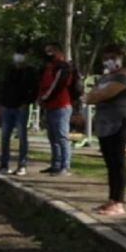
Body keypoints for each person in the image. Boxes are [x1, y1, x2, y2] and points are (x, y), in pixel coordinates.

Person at [83, 44, 126, 216]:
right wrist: (94, 96)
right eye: (105, 58)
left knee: (118, 162)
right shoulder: (104, 77)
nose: (109, 61)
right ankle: (111, 199)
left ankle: (119, 201)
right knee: (110, 163)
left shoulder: (124, 75)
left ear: (120, 57)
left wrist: (96, 96)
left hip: (118, 122)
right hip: (104, 124)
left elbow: (105, 94)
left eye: (112, 57)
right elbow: (90, 96)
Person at [0, 45, 37, 175]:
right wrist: (1, 102)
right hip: (7, 106)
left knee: (22, 136)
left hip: (21, 107)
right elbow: (3, 86)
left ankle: (22, 165)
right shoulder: (9, 70)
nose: (18, 57)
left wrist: (27, 102)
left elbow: (33, 90)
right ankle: (4, 165)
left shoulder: (30, 71)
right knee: (5, 137)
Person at [38, 43, 74, 176]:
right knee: (52, 137)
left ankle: (65, 166)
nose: (49, 54)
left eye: (51, 51)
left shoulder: (63, 67)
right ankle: (56, 164)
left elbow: (57, 86)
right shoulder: (49, 66)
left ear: (58, 51)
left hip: (61, 105)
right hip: (50, 106)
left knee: (62, 136)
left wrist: (45, 97)